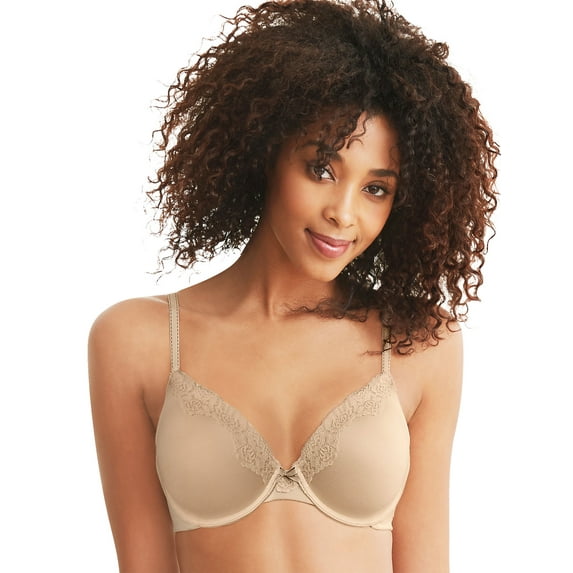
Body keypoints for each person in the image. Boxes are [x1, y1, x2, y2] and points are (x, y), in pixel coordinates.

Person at [88, 0, 498, 571]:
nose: (343, 213)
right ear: (265, 151)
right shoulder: (138, 340)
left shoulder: (418, 342)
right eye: (322, 169)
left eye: (376, 189)